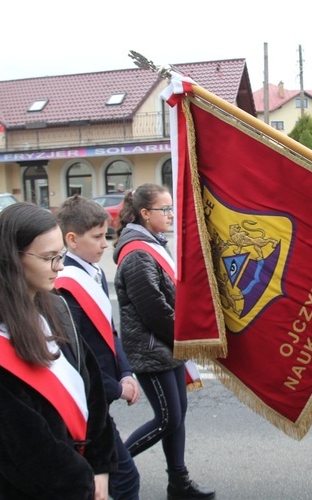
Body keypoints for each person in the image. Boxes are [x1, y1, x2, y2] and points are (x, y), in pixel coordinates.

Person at [0, 202, 117, 500]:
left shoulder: (53, 304)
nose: (60, 266)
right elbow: (24, 447)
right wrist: (85, 483)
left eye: (60, 255)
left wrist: (100, 464)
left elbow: (91, 384)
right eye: (49, 258)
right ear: (12, 258)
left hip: (79, 473)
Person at [114, 183, 215, 500]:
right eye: (165, 209)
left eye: (171, 208)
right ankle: (111, 466)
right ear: (145, 214)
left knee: (177, 414)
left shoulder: (153, 243)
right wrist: (189, 339)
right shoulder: (137, 254)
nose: (171, 214)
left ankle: (178, 483)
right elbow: (155, 311)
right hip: (150, 349)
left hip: (166, 346)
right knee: (168, 418)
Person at [55, 194, 142, 500]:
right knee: (124, 479)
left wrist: (127, 372)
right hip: (89, 396)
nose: (105, 244)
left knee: (112, 478)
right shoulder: (64, 285)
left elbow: (108, 330)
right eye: (97, 237)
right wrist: (114, 388)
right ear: (71, 239)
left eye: (106, 235)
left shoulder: (95, 272)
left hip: (102, 390)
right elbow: (76, 355)